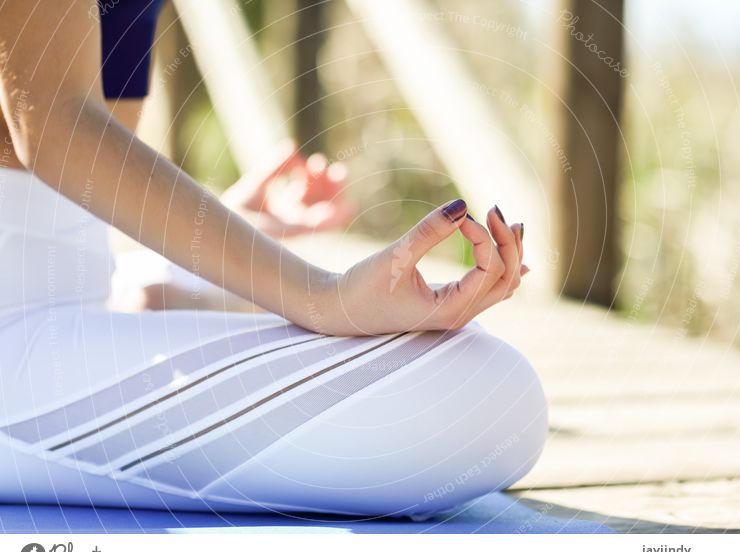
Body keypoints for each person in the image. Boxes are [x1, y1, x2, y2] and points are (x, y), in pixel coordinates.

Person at [0, 0, 547, 519]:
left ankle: (141, 290)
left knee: (479, 386)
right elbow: (49, 122)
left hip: (63, 307)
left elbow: (57, 184)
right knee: (482, 399)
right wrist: (325, 298)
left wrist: (202, 238)